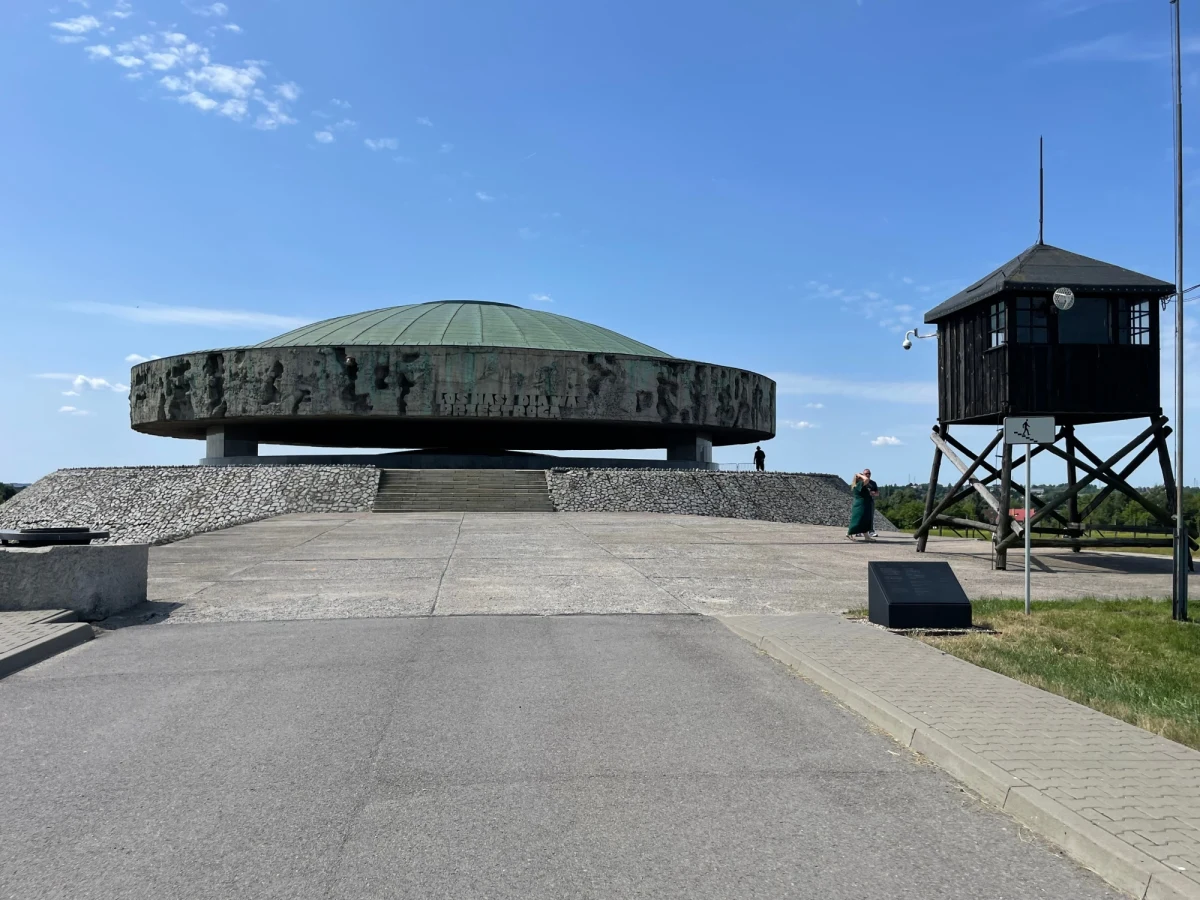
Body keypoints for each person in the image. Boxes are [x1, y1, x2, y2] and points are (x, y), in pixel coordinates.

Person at [847, 469, 878, 540]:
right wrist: (859, 475)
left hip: (864, 504)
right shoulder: (859, 484)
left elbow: (875, 491)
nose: (866, 476)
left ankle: (867, 536)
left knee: (864, 520)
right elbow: (866, 479)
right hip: (860, 505)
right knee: (858, 520)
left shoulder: (860, 485)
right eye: (864, 475)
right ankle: (849, 533)